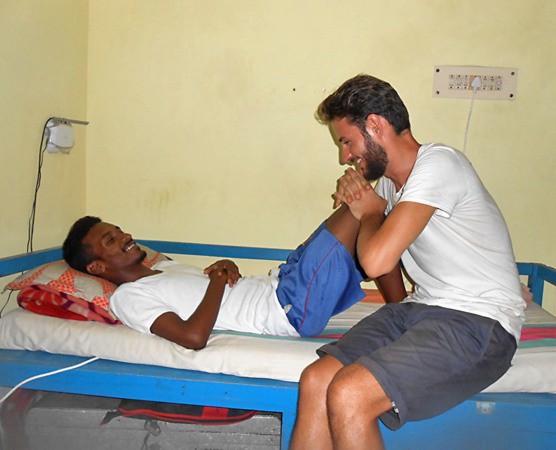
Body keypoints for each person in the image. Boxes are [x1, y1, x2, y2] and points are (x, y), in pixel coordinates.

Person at [289, 74, 526, 449]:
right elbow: (385, 261)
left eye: (347, 142)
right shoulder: (388, 184)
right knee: (316, 380)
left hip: (478, 320)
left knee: (350, 393)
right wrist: (361, 203)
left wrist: (369, 212)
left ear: (375, 125)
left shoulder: (440, 164)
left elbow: (376, 262)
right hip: (421, 310)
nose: (345, 157)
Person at [62, 208, 405, 350]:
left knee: (374, 216)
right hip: (285, 308)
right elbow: (193, 337)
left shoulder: (165, 268)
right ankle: (403, 316)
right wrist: (217, 279)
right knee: (363, 209)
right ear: (97, 268)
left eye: (119, 230)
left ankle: (400, 311)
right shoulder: (127, 297)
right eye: (111, 240)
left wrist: (225, 265)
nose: (125, 236)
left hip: (282, 281)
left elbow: (217, 286)